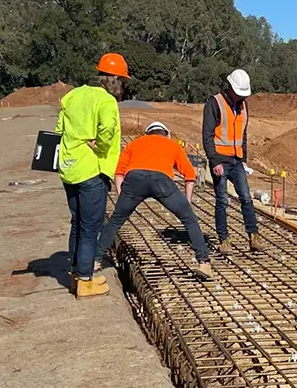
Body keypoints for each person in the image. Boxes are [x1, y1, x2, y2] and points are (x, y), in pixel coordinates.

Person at [95, 122, 212, 280]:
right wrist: (187, 202)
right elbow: (190, 175)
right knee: (189, 220)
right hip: (162, 181)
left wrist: (123, 195)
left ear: (146, 134)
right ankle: (204, 264)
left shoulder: (134, 143)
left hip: (134, 180)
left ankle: (95, 260)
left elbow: (119, 173)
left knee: (116, 220)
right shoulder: (172, 145)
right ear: (166, 133)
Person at [58, 53, 127, 299]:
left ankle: (76, 274)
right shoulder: (106, 101)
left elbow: (59, 130)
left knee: (77, 223)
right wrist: (99, 146)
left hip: (69, 168)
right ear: (115, 78)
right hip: (92, 171)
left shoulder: (73, 95)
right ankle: (86, 281)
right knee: (90, 228)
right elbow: (107, 130)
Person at [202, 69, 260, 253]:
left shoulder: (243, 106)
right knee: (222, 200)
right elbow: (207, 135)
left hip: (236, 161)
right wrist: (214, 161)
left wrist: (243, 159)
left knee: (246, 198)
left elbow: (243, 135)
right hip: (220, 160)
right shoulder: (214, 103)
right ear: (230, 88)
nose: (241, 97)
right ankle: (224, 239)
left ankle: (254, 236)